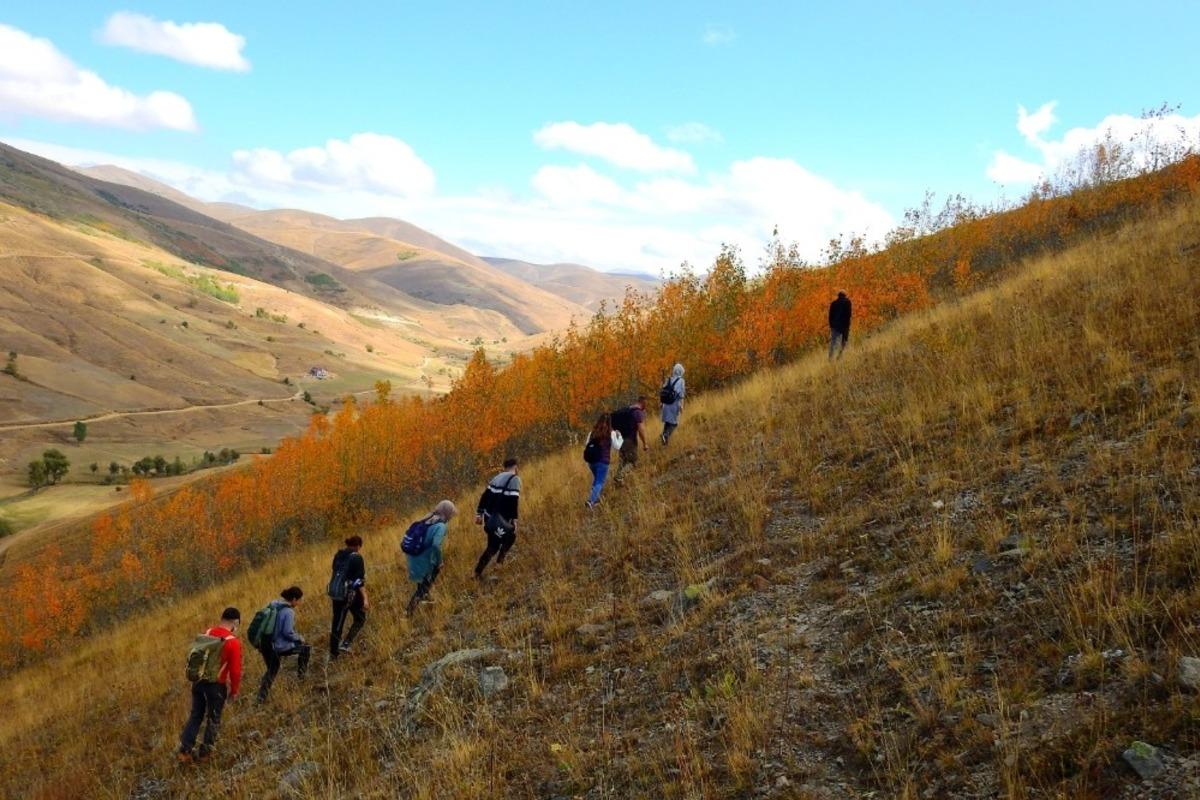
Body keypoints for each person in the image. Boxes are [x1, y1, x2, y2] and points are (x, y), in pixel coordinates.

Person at [178, 607, 242, 763]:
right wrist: (234, 691)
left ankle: (184, 751)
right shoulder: (233, 642)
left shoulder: (207, 633)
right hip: (216, 685)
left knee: (196, 715)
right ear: (235, 623)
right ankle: (205, 754)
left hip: (198, 682)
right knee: (214, 718)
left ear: (222, 618)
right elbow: (235, 671)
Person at [255, 586, 311, 704]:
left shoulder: (274, 604)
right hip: (279, 646)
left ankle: (261, 697)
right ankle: (301, 677)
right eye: (299, 600)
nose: (300, 603)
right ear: (294, 599)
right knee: (305, 649)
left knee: (272, 669)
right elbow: (287, 632)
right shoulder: (288, 611)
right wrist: (299, 638)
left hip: (266, 644)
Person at [405, 500, 457, 615]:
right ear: (448, 512)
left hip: (414, 556)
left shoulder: (428, 518)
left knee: (423, 582)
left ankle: (425, 597)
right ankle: (408, 612)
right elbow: (436, 545)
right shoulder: (441, 526)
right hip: (424, 560)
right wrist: (440, 562)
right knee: (424, 585)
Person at [474, 458, 522, 579]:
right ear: (515, 467)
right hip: (502, 519)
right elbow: (513, 501)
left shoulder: (497, 477)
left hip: (490, 518)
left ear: (504, 467)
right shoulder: (515, 479)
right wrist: (515, 520)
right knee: (510, 537)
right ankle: (498, 564)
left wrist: (479, 513)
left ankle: (477, 573)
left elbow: (484, 495)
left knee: (492, 545)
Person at [329, 536, 368, 659]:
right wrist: (365, 597)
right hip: (350, 594)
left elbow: (334, 570)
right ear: (357, 546)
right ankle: (346, 643)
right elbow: (359, 580)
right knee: (360, 618)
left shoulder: (338, 555)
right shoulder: (357, 558)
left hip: (335, 593)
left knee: (337, 623)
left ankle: (334, 653)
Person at [612, 396, 649, 480]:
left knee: (623, 462)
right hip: (630, 440)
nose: (646, 406)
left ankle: (618, 482)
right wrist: (645, 443)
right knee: (632, 462)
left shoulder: (627, 410)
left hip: (620, 440)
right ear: (643, 402)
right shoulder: (637, 412)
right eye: (646, 404)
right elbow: (641, 429)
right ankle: (619, 477)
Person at [583, 413, 615, 508]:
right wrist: (619, 436)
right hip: (603, 461)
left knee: (596, 480)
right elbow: (617, 446)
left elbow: (586, 444)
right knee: (600, 482)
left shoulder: (592, 432)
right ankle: (591, 501)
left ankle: (596, 501)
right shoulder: (611, 433)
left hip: (591, 462)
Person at [659, 364, 686, 445]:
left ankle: (664, 443)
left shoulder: (669, 379)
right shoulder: (681, 381)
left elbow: (663, 391)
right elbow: (681, 395)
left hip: (665, 405)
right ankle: (665, 435)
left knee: (667, 422)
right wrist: (682, 406)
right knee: (674, 423)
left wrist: (661, 403)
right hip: (674, 404)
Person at [829, 291, 852, 360]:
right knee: (844, 341)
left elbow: (830, 316)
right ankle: (840, 356)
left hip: (835, 326)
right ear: (845, 295)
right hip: (844, 325)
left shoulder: (833, 303)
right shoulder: (847, 302)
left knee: (833, 342)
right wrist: (848, 325)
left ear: (838, 296)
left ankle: (830, 358)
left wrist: (831, 325)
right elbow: (849, 314)